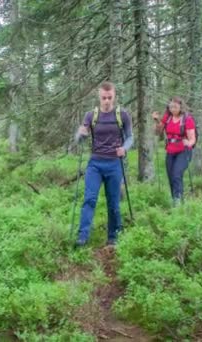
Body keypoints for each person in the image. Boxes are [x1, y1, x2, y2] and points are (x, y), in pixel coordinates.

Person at [74, 81, 133, 247]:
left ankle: (113, 237)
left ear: (114, 96)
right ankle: (82, 236)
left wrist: (125, 148)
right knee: (89, 199)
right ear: (99, 97)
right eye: (103, 98)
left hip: (114, 163)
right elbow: (79, 139)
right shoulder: (90, 115)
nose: (106, 101)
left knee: (113, 202)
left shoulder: (122, 115)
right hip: (95, 163)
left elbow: (130, 137)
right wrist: (81, 134)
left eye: (109, 97)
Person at [152, 97, 196, 207]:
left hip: (184, 151)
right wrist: (156, 120)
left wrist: (188, 143)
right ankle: (175, 199)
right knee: (171, 176)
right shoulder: (167, 117)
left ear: (181, 107)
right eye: (171, 107)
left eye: (175, 107)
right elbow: (158, 132)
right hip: (170, 151)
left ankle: (178, 201)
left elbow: (192, 139)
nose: (173, 109)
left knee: (177, 174)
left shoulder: (187, 119)